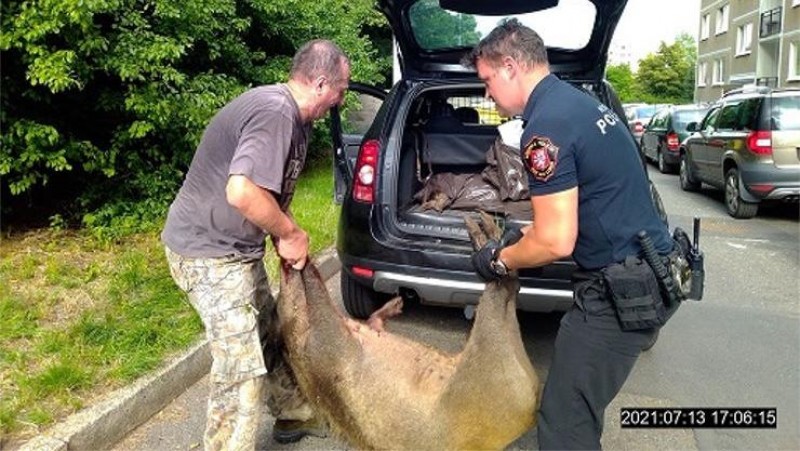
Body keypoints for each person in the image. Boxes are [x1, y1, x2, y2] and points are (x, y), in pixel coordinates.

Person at [463, 20, 675, 450]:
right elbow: (580, 206)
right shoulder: (579, 105)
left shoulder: (544, 129)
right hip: (649, 269)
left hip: (619, 296)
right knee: (573, 410)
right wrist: (518, 236)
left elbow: (556, 241)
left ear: (509, 66)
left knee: (564, 423)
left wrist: (500, 260)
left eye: (486, 81)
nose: (488, 93)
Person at [161, 39, 350, 450]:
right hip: (206, 253)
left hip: (236, 252)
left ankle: (293, 415)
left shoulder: (295, 121)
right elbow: (242, 191)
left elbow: (267, 196)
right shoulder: (276, 111)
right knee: (240, 368)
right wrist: (289, 233)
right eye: (341, 90)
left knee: (267, 330)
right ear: (320, 83)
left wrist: (285, 229)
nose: (341, 99)